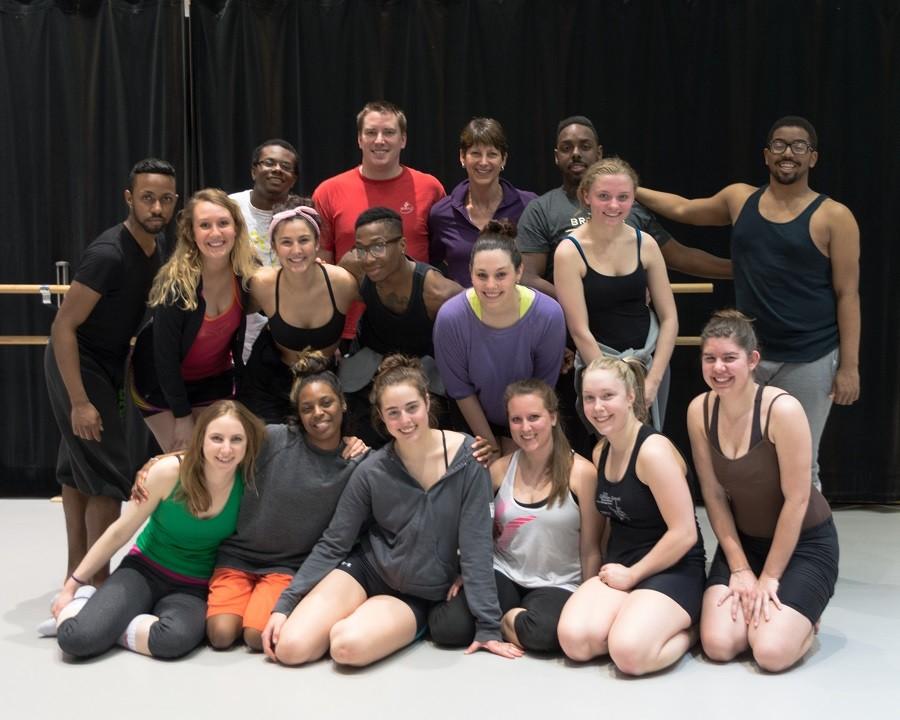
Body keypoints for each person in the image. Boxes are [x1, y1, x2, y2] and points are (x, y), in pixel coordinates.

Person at [637, 115, 860, 489]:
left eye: (798, 146)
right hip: (748, 356)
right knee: (741, 461)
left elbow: (847, 295)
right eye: (779, 145)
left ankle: (806, 547)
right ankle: (750, 545)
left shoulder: (835, 217)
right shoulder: (739, 198)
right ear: (766, 155)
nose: (788, 153)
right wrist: (631, 188)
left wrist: (849, 367)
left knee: (801, 466)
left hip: (810, 357)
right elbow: (683, 209)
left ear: (813, 158)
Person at [261, 355, 523, 667]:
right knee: (290, 648)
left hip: (416, 592)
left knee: (346, 647)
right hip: (367, 570)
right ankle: (351, 613)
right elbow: (335, 542)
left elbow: (476, 544)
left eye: (412, 407)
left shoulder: (470, 459)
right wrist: (285, 604)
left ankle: (373, 622)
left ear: (427, 401)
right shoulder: (372, 469)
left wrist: (488, 627)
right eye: (393, 413)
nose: (405, 420)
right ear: (382, 418)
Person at [44, 158, 178, 585]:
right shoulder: (108, 254)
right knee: (108, 476)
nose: (156, 208)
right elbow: (63, 325)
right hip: (78, 363)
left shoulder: (155, 248)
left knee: (77, 470)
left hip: (108, 363)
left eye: (165, 200)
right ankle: (96, 580)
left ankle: (75, 574)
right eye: (147, 198)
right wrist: (80, 401)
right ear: (129, 199)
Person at [46, 401, 266, 660]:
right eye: (217, 438)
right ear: (201, 439)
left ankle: (113, 625)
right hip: (144, 570)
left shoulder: (250, 483)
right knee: (77, 639)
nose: (226, 449)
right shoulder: (169, 473)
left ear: (247, 443)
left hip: (194, 585)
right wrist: (73, 584)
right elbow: (119, 532)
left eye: (236, 439)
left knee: (173, 641)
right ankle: (86, 601)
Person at [687, 310, 839, 672]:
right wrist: (740, 568)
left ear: (752, 360)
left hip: (805, 543)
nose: (718, 368)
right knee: (719, 645)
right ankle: (780, 614)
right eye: (710, 358)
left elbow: (798, 499)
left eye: (729, 358)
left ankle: (804, 620)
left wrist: (769, 577)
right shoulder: (699, 410)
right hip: (746, 544)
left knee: (769, 653)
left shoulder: (782, 409)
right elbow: (713, 494)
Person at [428, 379, 603, 653]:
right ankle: (504, 615)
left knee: (544, 634)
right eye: (516, 420)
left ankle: (506, 620)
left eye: (534, 417)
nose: (526, 428)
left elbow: (592, 548)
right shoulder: (498, 470)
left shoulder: (582, 474)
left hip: (557, 582)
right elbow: (481, 533)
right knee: (447, 628)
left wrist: (590, 599)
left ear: (553, 417)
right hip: (503, 573)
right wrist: (469, 574)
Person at [557, 356, 705, 676]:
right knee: (575, 641)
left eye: (608, 396)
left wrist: (634, 576)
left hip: (672, 566)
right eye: (590, 398)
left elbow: (684, 533)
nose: (598, 408)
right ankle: (636, 613)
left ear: (630, 397)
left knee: (629, 654)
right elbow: (610, 522)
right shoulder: (601, 451)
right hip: (622, 565)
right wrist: (595, 585)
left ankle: (694, 630)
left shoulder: (653, 452)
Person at [517, 115, 731, 299]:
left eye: (585, 146)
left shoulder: (630, 208)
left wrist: (739, 269)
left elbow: (681, 257)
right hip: (567, 335)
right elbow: (527, 277)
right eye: (566, 148)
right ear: (556, 156)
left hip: (631, 332)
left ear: (599, 153)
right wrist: (580, 304)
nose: (575, 153)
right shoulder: (541, 210)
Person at [129, 189, 258, 452]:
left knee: (222, 457)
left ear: (236, 228)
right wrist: (182, 416)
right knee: (187, 462)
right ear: (191, 232)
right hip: (161, 384)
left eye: (223, 223)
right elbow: (164, 359)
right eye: (205, 225)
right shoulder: (176, 285)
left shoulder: (245, 274)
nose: (215, 233)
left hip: (212, 380)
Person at [554, 157, 678, 430]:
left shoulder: (645, 244)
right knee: (613, 453)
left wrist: (653, 379)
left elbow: (669, 318)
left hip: (648, 363)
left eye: (623, 197)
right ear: (586, 196)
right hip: (599, 366)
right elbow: (579, 330)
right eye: (604, 196)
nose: (614, 205)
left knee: (649, 449)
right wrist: (612, 385)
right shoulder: (569, 251)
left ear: (634, 198)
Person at [433, 220, 567, 464]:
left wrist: (522, 445)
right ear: (470, 272)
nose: (491, 285)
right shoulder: (450, 318)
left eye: (501, 275)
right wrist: (492, 449)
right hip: (473, 422)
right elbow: (460, 390)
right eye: (481, 275)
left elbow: (543, 388)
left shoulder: (548, 315)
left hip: (530, 420)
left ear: (518, 272)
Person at [313, 100, 445, 340]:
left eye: (389, 132)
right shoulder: (328, 191)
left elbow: (441, 255)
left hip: (419, 326)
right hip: (351, 330)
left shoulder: (430, 188)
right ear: (359, 139)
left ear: (403, 139)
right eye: (371, 132)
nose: (380, 140)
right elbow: (323, 267)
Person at [337, 206, 463, 445]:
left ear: (403, 245)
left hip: (425, 380)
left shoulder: (438, 293)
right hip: (369, 375)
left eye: (378, 246)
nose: (368, 258)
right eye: (361, 249)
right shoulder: (354, 269)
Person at [238, 201, 359, 424]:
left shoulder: (342, 283)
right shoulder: (263, 284)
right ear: (274, 246)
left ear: (316, 243)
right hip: (270, 382)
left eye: (304, 240)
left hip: (324, 380)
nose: (296, 250)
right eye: (286, 242)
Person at [428, 117, 536, 286]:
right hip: (463, 310)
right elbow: (434, 268)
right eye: (476, 153)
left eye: (492, 154)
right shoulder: (441, 213)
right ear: (462, 157)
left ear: (504, 159)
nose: (484, 162)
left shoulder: (529, 206)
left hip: (516, 310)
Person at [229, 139, 301, 359]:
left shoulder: (301, 214)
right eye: (269, 163)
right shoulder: (229, 209)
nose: (277, 169)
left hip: (289, 331)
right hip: (236, 328)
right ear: (253, 171)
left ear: (294, 178)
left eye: (286, 167)